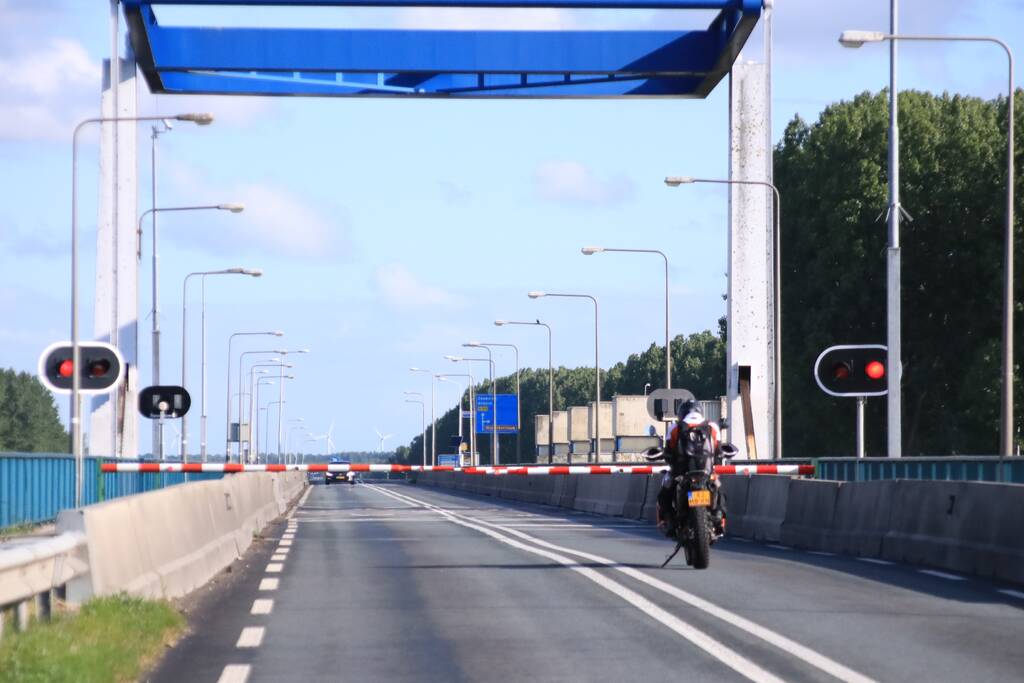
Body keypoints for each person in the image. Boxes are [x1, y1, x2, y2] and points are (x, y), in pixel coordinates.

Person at [653, 399, 727, 539]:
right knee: (718, 488)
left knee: (664, 493)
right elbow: (718, 450)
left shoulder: (675, 428)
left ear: (681, 413)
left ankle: (667, 521)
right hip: (707, 473)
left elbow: (669, 451)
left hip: (681, 473)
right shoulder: (712, 427)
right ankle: (719, 518)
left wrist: (668, 457)